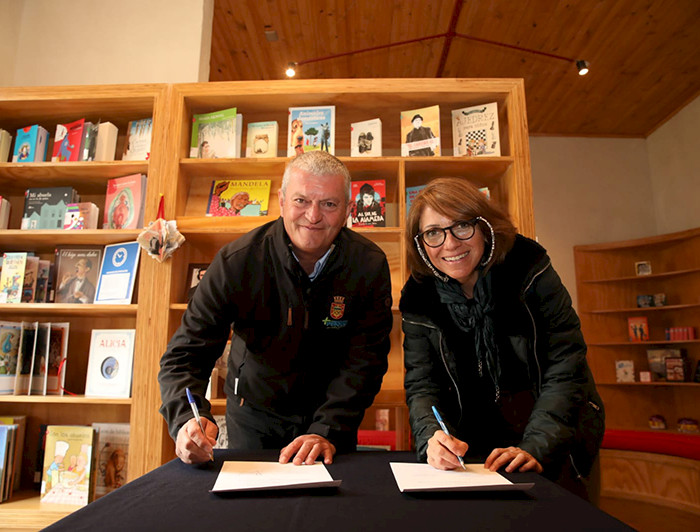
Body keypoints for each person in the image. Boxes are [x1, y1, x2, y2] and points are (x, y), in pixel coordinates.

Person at [159, 150, 393, 467]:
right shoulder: (236, 261)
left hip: (331, 420)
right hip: (253, 414)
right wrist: (186, 418)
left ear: (348, 210)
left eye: (329, 204)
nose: (313, 216)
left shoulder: (369, 265)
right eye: (301, 201)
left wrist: (327, 430)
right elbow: (187, 353)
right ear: (281, 201)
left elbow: (365, 361)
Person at [400, 177, 604, 501]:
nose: (450, 244)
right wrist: (431, 436)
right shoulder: (417, 298)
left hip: (554, 439)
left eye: (462, 226)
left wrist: (536, 445)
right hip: (475, 455)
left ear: (484, 226)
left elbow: (566, 365)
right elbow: (423, 384)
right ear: (421, 243)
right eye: (434, 233)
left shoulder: (529, 269)